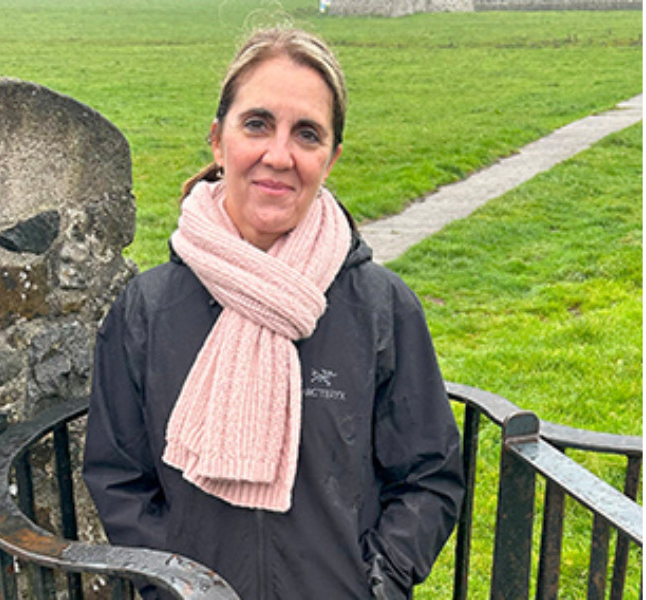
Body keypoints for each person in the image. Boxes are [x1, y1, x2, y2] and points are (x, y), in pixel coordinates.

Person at [83, 26, 464, 600]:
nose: (278, 155)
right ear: (218, 140)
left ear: (330, 158)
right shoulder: (148, 312)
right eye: (256, 124)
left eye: (306, 134)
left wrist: (377, 583)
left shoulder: (381, 309)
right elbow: (119, 477)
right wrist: (173, 588)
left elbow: (429, 478)